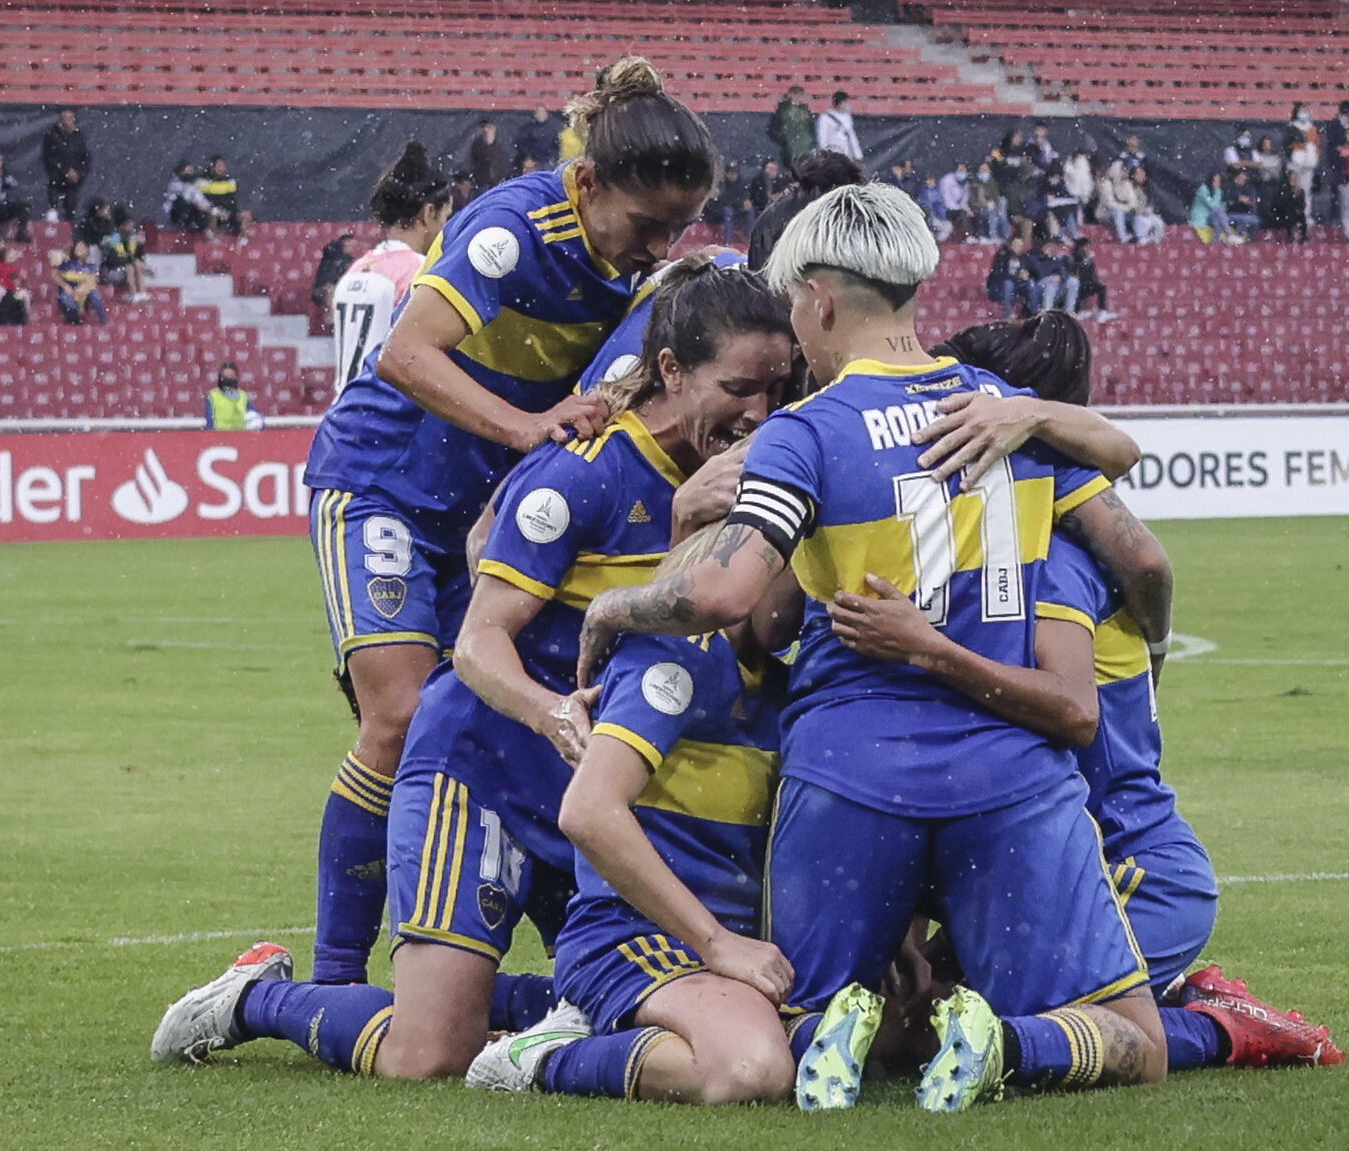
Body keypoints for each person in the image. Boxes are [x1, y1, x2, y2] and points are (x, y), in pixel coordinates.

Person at [575, 183, 1170, 1114]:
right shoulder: (1003, 409)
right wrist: (1043, 415)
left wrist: (617, 607)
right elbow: (1127, 502)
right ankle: (1005, 1042)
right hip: (1008, 772)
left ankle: (836, 1030)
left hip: (849, 777)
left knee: (800, 1025)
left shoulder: (804, 433)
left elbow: (728, 594)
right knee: (1135, 1042)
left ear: (816, 297)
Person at [151, 256, 795, 1086]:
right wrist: (548, 712)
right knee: (426, 1056)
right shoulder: (583, 470)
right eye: (740, 388)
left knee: (627, 985)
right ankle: (255, 999)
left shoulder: (741, 479)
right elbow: (476, 642)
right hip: (486, 758)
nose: (760, 413)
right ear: (672, 370)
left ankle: (533, 1025)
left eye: (777, 390)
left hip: (597, 782)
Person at [296, 56, 718, 992]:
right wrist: (526, 429)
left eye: (676, 228)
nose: (658, 247)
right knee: (401, 715)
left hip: (484, 508)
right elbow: (407, 355)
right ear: (589, 181)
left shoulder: (639, 267)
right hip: (383, 484)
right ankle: (330, 980)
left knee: (492, 713)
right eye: (646, 224)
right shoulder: (511, 228)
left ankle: (533, 965)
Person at [852, 312, 1346, 1074]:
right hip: (1040, 860)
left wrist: (925, 647)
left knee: (975, 1033)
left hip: (1130, 867)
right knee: (907, 1029)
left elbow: (1084, 683)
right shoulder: (1006, 553)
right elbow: (1146, 560)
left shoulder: (1050, 564)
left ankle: (1221, 1027)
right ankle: (1167, 991)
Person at [465, 522, 797, 1104]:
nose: (811, 585)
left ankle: (547, 1008)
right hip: (637, 935)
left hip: (740, 948)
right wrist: (717, 942)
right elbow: (588, 813)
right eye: (798, 565)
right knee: (750, 1069)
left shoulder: (784, 678)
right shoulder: (672, 656)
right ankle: (543, 1057)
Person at [331, 141, 454, 390]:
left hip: (343, 410)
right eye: (446, 217)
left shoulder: (357, 268)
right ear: (428, 213)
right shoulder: (422, 272)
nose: (447, 228)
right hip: (383, 415)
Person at [42, 109, 89, 222]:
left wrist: (78, 173)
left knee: (71, 207)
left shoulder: (79, 137)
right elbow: (50, 156)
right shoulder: (52, 135)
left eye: (70, 118)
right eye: (65, 119)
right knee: (53, 207)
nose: (67, 121)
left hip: (73, 181)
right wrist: (65, 171)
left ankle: (69, 228)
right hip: (57, 177)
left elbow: (85, 157)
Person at [56, 240, 108, 324]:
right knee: (67, 300)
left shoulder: (90, 265)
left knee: (96, 296)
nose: (81, 250)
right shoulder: (67, 264)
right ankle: (72, 317)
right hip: (69, 290)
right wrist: (65, 286)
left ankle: (103, 320)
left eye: (83, 248)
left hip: (84, 291)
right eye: (78, 248)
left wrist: (81, 291)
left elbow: (92, 280)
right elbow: (55, 275)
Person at [1025, 235, 1079, 313]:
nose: (1052, 248)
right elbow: (1040, 273)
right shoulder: (1034, 256)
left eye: (1053, 246)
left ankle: (1069, 312)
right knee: (1050, 284)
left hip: (1056, 286)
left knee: (1073, 281)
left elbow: (1063, 272)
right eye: (1049, 245)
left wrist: (1061, 277)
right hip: (1039, 286)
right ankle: (1047, 313)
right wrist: (1048, 259)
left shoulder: (1056, 258)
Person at [765, 85, 816, 167]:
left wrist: (811, 142)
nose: (797, 97)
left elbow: (811, 128)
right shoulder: (782, 110)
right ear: (790, 95)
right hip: (789, 149)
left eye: (799, 94)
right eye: (795, 94)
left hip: (804, 149)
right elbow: (771, 129)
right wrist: (784, 140)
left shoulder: (806, 111)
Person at [205, 362, 265, 430]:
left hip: (240, 436)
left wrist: (259, 422)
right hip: (220, 436)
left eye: (231, 376)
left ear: (236, 377)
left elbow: (255, 415)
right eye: (226, 376)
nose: (229, 379)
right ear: (220, 378)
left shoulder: (243, 396)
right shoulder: (213, 396)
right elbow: (210, 420)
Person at [705, 160, 753, 245]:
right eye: (731, 173)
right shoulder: (722, 184)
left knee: (750, 212)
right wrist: (740, 204)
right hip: (720, 211)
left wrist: (747, 202)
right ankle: (729, 241)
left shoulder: (741, 183)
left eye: (735, 173)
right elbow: (724, 200)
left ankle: (750, 238)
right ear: (726, 174)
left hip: (737, 209)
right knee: (728, 213)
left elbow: (745, 195)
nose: (734, 175)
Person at [1070, 236, 1115, 322]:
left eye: (1088, 247)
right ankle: (1077, 311)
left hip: (1089, 283)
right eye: (1084, 247)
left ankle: (1102, 312)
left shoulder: (1089, 260)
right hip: (1079, 284)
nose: (1086, 249)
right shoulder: (1073, 259)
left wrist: (1096, 281)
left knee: (1101, 287)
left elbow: (1092, 274)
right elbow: (1075, 274)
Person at [0, 240, 30, 323]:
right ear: (4, 257)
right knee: (1, 291)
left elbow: (16, 280)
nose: (11, 259)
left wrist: (18, 288)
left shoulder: (13, 268)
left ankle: (27, 313)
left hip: (12, 290)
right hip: (1, 288)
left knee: (25, 294)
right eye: (9, 257)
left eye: (12, 257)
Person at [311, 233, 360, 310]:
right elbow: (329, 280)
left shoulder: (348, 261)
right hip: (326, 291)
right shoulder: (334, 259)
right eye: (352, 247)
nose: (355, 249)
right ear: (345, 245)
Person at [986, 233, 1029, 319]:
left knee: (1031, 285)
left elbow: (1031, 272)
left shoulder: (1025, 258)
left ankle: (1030, 313)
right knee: (1008, 284)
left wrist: (1026, 277)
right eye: (1016, 245)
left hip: (1018, 285)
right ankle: (1007, 314)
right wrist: (1016, 277)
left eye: (1020, 246)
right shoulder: (1001, 256)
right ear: (1010, 245)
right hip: (999, 286)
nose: (1018, 248)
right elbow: (998, 275)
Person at [1190, 172, 1240, 245]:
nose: (1217, 183)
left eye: (1218, 181)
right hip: (1201, 218)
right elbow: (1213, 206)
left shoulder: (1219, 191)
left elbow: (1223, 207)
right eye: (1215, 180)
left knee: (1217, 218)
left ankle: (1216, 242)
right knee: (1218, 212)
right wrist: (1217, 190)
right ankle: (1229, 234)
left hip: (1212, 217)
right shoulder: (1203, 189)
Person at [199, 155, 243, 237]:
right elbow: (205, 202)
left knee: (245, 216)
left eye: (223, 166)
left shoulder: (229, 182)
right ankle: (212, 241)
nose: (221, 169)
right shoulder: (203, 181)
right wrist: (220, 212)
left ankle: (243, 242)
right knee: (213, 214)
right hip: (208, 215)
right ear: (212, 167)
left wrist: (229, 213)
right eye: (218, 166)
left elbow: (231, 201)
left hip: (227, 213)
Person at [815, 91, 862, 162]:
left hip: (846, 152)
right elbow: (822, 136)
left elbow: (851, 136)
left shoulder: (847, 117)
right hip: (832, 152)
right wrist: (823, 152)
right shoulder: (825, 117)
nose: (846, 105)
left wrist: (858, 154)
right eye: (844, 102)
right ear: (839, 103)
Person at [514, 105, 562, 170]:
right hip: (533, 161)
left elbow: (556, 145)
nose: (541, 115)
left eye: (543, 112)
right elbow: (522, 145)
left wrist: (553, 157)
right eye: (539, 112)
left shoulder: (554, 128)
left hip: (548, 161)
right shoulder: (527, 129)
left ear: (547, 114)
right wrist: (528, 157)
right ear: (535, 115)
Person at [469, 120, 509, 190]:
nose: (489, 133)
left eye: (491, 130)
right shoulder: (477, 145)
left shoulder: (500, 145)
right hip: (482, 182)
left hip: (497, 182)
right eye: (487, 131)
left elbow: (503, 162)